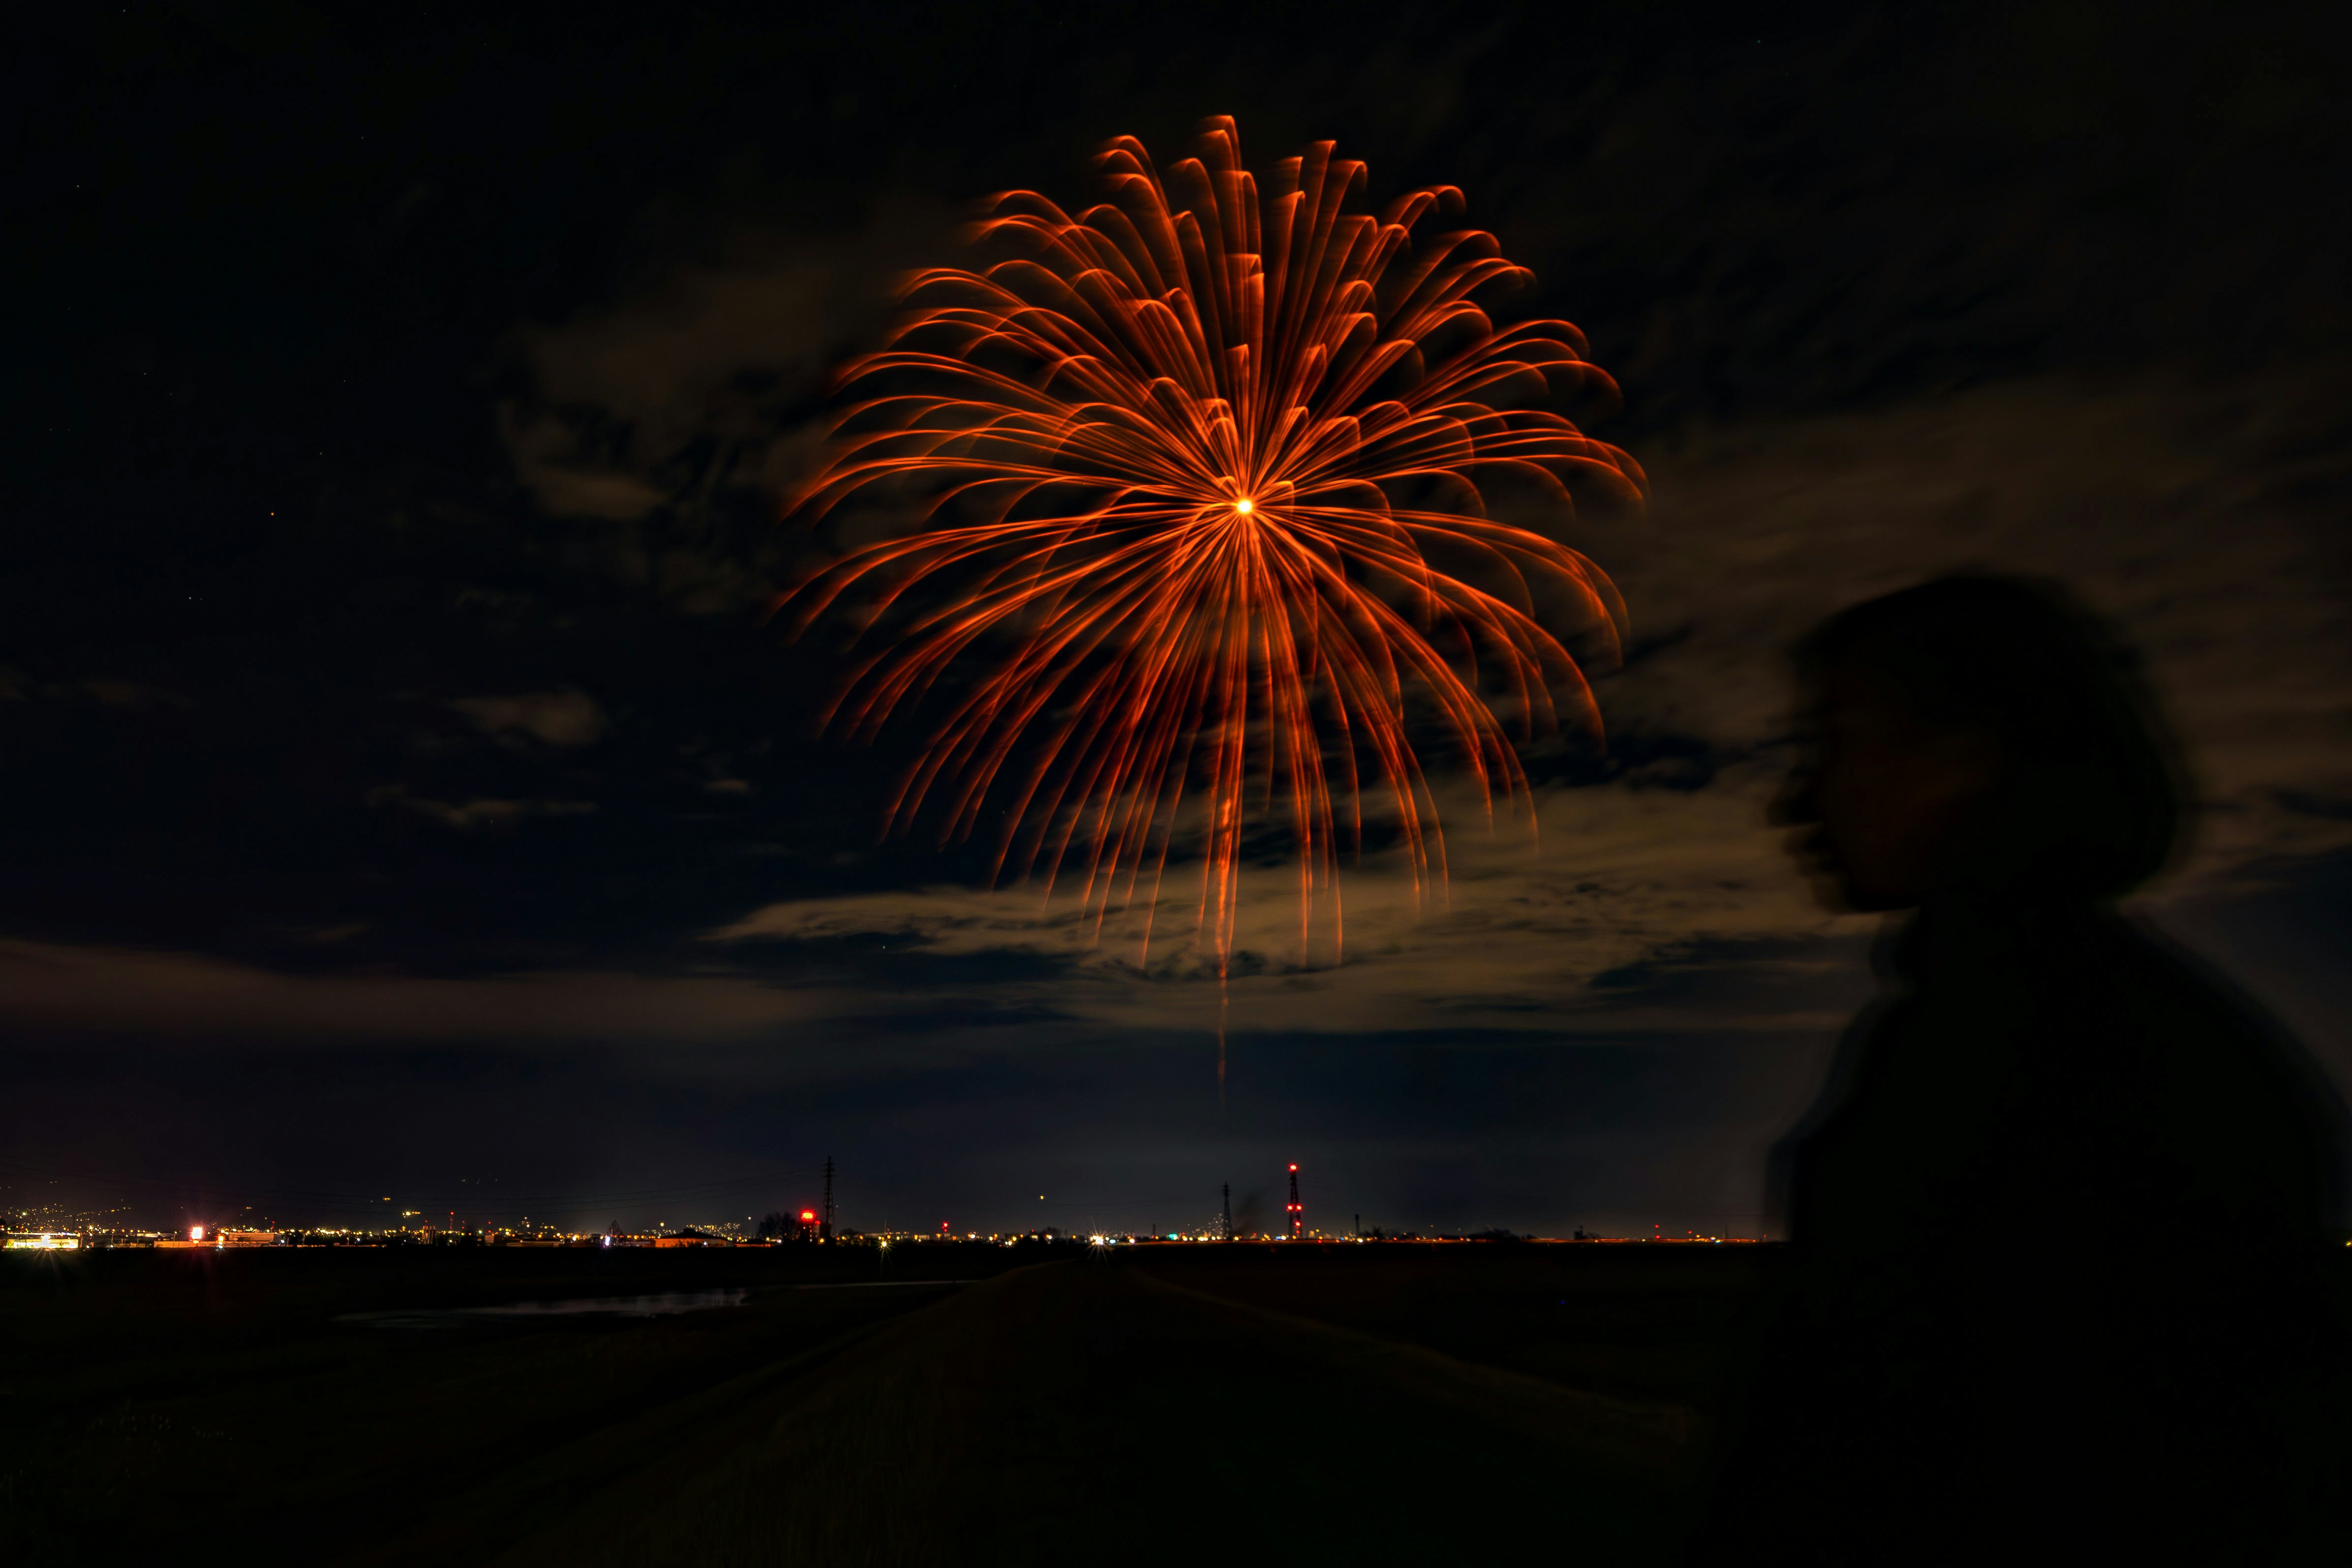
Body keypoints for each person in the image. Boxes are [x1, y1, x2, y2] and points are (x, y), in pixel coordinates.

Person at [1690, 575, 2350, 1565]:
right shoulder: (2135, 1026)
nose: (1794, 799)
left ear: (1960, 763)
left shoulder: (2005, 1053)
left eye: (1836, 744)